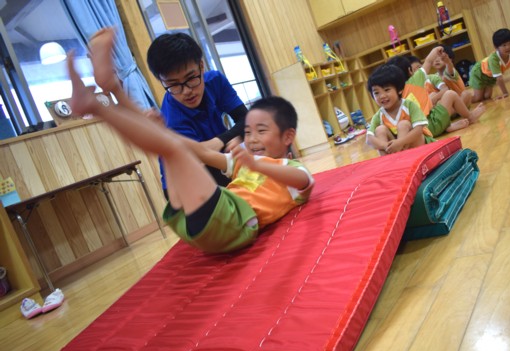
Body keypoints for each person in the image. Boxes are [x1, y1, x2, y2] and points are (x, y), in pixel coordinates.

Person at [68, 28, 314, 254]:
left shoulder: (290, 167)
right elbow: (201, 153)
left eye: (261, 131)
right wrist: (165, 132)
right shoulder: (235, 159)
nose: (186, 90)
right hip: (199, 204)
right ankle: (109, 92)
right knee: (169, 143)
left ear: (287, 139)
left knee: (170, 145)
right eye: (249, 133)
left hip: (235, 220)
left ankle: (104, 100)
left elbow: (302, 179)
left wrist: (253, 162)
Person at [146, 33, 248, 191]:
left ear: (201, 66)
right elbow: (203, 170)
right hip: (184, 187)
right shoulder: (172, 120)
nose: (187, 91)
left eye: (191, 78)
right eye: (174, 85)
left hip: (217, 163)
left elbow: (246, 118)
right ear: (162, 81)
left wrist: (221, 141)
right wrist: (232, 138)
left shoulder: (214, 81)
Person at [387, 47, 485, 137]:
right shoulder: (415, 80)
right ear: (410, 71)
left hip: (419, 133)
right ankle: (470, 117)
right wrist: (436, 49)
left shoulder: (392, 93)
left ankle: (447, 126)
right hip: (431, 125)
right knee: (450, 94)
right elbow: (429, 61)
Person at [365, 63, 436, 155]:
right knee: (380, 130)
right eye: (376, 93)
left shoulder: (409, 105)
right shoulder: (379, 115)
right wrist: (386, 146)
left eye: (387, 90)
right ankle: (389, 160)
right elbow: (369, 139)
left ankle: (405, 157)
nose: (382, 96)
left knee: (403, 124)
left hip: (421, 147)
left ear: (399, 89)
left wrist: (400, 143)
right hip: (396, 150)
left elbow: (418, 130)